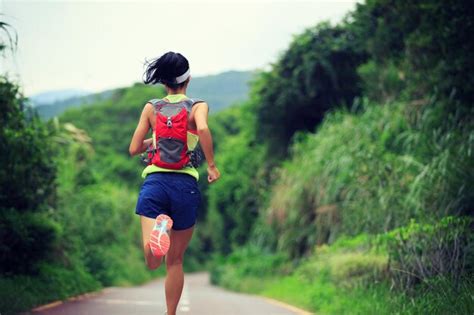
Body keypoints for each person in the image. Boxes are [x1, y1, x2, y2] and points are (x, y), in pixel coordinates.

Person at [129, 51, 220, 315]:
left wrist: (155, 138)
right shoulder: (197, 106)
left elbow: (134, 148)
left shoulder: (151, 107)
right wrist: (212, 165)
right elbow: (202, 130)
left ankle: (158, 232)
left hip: (155, 182)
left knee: (152, 260)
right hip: (185, 186)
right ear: (187, 79)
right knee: (175, 260)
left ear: (164, 82)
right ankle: (170, 314)